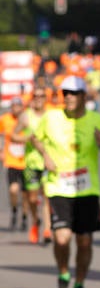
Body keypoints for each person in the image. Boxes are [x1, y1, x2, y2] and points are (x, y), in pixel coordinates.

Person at [30, 75, 100, 288]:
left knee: (85, 242)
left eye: (73, 93)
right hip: (58, 186)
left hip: (87, 190)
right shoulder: (51, 117)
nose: (68, 97)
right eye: (64, 93)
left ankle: (79, 284)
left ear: (83, 97)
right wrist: (46, 156)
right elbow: (35, 138)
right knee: (62, 238)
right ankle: (63, 276)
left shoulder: (96, 119)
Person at [20, 87, 52, 244]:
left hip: (48, 162)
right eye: (36, 96)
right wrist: (28, 138)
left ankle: (47, 229)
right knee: (32, 199)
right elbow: (12, 135)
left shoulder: (51, 115)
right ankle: (35, 221)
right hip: (31, 162)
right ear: (32, 98)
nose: (38, 98)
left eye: (42, 95)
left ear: (46, 98)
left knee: (46, 196)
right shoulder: (26, 116)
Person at [0, 95, 29, 231]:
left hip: (26, 161)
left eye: (18, 106)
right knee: (13, 189)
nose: (15, 109)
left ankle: (24, 216)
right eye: (13, 106)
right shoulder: (5, 119)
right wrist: (1, 150)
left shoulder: (27, 119)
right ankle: (13, 210)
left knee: (25, 194)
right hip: (11, 161)